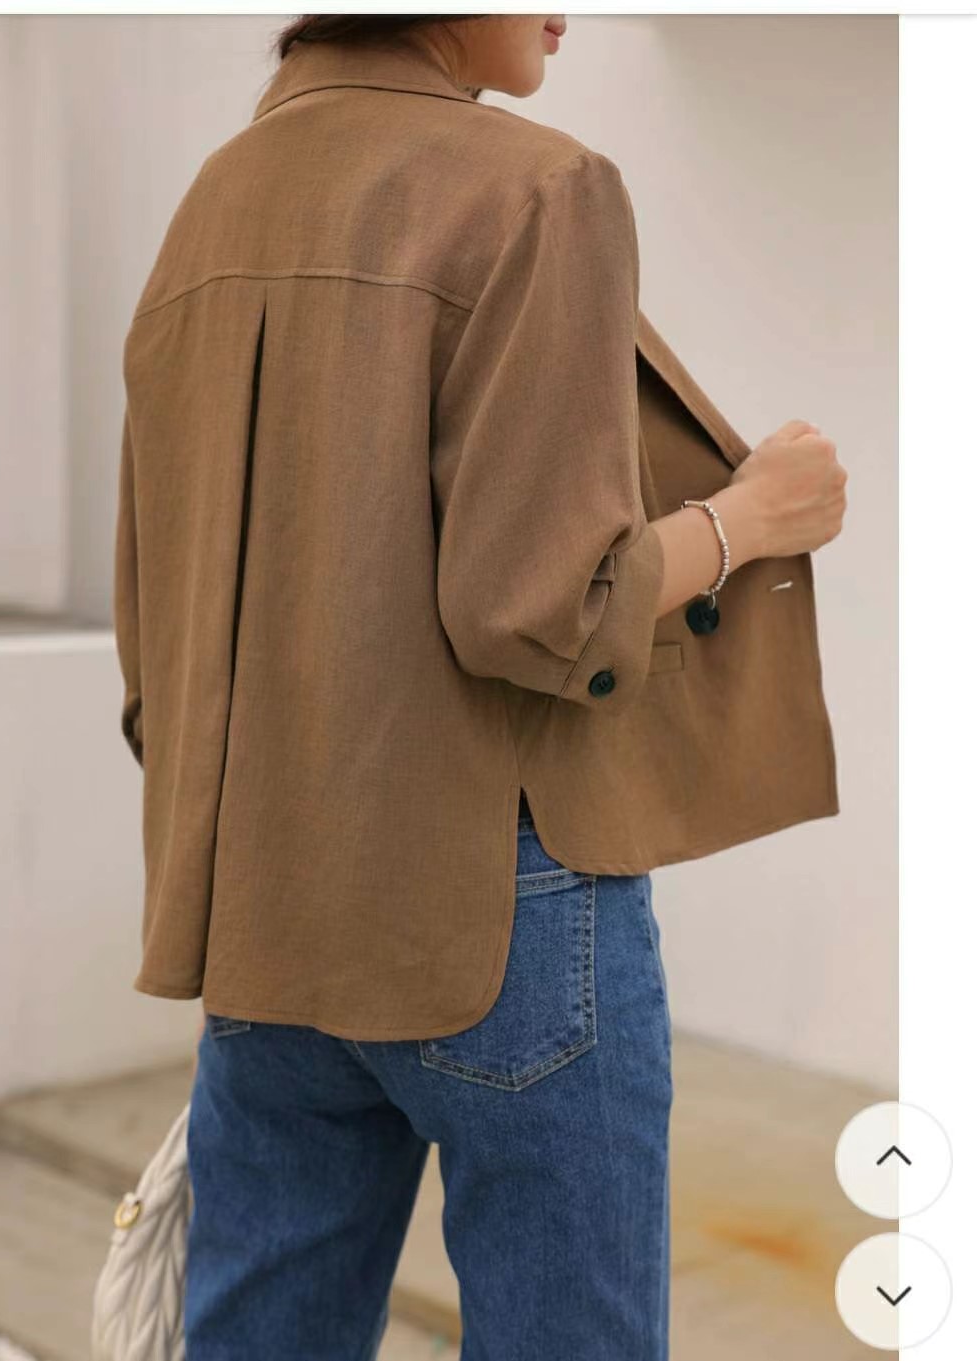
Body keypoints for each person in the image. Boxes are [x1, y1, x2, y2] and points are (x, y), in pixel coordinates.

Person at [113, 15, 847, 1360]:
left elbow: (154, 615)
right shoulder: (537, 187)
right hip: (496, 910)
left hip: (262, 913)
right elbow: (541, 604)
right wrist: (752, 519)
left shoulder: (212, 203)